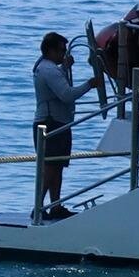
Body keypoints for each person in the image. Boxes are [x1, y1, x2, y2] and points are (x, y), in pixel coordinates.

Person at [33, 31, 102, 222]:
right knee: (50, 168)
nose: (64, 54)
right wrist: (89, 84)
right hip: (50, 123)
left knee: (58, 166)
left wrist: (64, 67)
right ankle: (38, 206)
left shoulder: (47, 67)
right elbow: (66, 94)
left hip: (58, 122)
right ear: (50, 51)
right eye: (61, 51)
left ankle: (55, 206)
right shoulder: (49, 70)